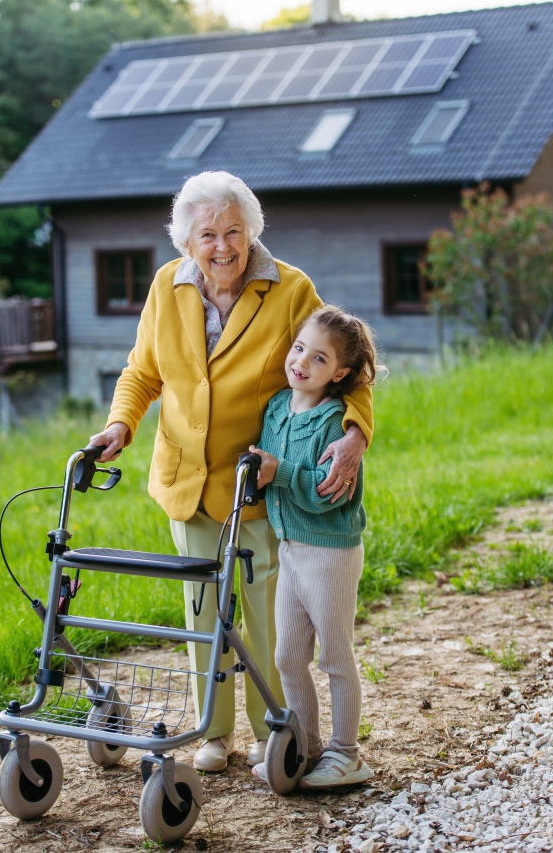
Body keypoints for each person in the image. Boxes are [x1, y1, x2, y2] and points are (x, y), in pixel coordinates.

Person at [89, 171, 374, 773]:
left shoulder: (291, 288)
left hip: (259, 486)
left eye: (234, 231)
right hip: (188, 480)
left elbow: (347, 363)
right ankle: (214, 734)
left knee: (266, 615)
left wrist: (354, 434)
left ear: (252, 231)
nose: (223, 246)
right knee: (202, 611)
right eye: (208, 235)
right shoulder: (168, 287)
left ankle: (275, 728)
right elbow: (142, 373)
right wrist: (120, 425)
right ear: (186, 243)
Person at [251, 305, 379, 788]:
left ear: (340, 373)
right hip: (290, 549)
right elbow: (270, 474)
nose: (302, 362)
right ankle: (304, 748)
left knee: (334, 656)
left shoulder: (334, 424)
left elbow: (331, 494)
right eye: (299, 348)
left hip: (330, 553)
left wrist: (277, 472)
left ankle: (347, 754)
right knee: (287, 655)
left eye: (319, 358)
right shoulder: (277, 407)